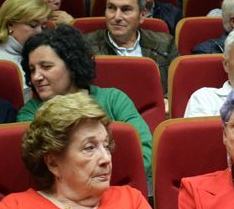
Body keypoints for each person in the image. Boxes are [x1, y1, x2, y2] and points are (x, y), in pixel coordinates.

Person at [0, 93, 165, 209]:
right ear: (53, 163)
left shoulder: (131, 199)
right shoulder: (16, 208)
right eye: (89, 148)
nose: (106, 158)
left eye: (106, 146)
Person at [17, 26, 152, 173]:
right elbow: (40, 165)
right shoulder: (31, 113)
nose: (36, 77)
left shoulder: (114, 99)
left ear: (72, 65)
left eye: (46, 67)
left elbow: (144, 153)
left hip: (122, 186)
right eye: (32, 70)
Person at [82, 0, 179, 93]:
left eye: (126, 9)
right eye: (111, 8)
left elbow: (180, 84)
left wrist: (167, 100)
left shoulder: (166, 44)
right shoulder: (85, 46)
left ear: (142, 15)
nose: (117, 17)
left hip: (155, 109)